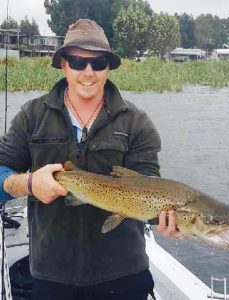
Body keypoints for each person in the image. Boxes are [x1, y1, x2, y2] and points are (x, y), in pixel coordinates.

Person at [0, 19, 181, 300]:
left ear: (108, 66)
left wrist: (167, 217)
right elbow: (2, 172)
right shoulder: (32, 116)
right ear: (63, 64)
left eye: (98, 63)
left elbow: (149, 181)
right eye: (77, 62)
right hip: (52, 274)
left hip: (123, 274)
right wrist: (30, 183)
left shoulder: (136, 122)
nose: (88, 72)